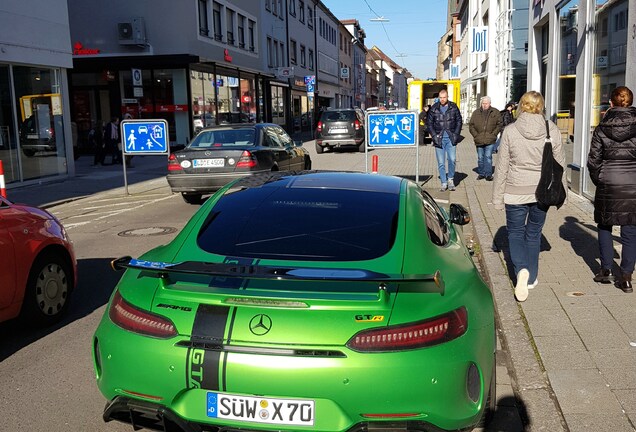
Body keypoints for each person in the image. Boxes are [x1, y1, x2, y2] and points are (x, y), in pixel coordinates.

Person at [492, 91, 567, 302]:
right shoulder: (550, 129)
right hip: (542, 191)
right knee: (534, 234)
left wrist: (498, 197)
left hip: (515, 190)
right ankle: (532, 277)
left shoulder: (510, 130)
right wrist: (564, 194)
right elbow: (559, 164)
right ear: (541, 106)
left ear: (522, 106)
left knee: (515, 233)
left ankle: (521, 271)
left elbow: (502, 166)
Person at [587, 86, 636, 293]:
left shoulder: (601, 128)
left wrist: (600, 180)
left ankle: (605, 269)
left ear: (611, 103)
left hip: (608, 183)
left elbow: (594, 160)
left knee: (605, 225)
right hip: (633, 186)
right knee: (630, 230)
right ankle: (625, 277)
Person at [427, 89, 463, 191]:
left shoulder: (453, 107)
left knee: (452, 159)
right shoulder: (434, 108)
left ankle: (450, 179)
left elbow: (459, 121)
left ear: (447, 97)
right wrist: (434, 136)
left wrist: (456, 134)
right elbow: (429, 123)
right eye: (441, 98)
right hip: (439, 139)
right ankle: (443, 182)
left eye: (444, 97)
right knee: (441, 163)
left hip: (451, 138)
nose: (442, 99)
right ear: (439, 98)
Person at [469, 96, 501, 181]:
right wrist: (476, 135)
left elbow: (499, 124)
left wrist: (494, 134)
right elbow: (471, 125)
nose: (484, 105)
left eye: (486, 103)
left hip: (490, 139)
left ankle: (488, 174)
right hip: (479, 139)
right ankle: (481, 173)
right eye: (483, 103)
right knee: (480, 157)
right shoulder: (476, 113)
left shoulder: (495, 112)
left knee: (488, 156)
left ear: (490, 103)